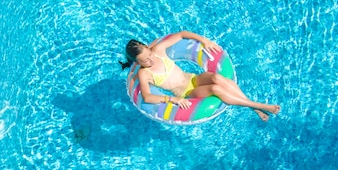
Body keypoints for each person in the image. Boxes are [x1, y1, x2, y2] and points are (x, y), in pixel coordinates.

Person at [119, 30, 280, 121]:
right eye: (145, 60)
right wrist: (172, 99)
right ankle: (259, 107)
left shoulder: (158, 51)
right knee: (216, 88)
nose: (150, 59)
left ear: (148, 48)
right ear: (137, 62)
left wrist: (204, 41)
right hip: (186, 93)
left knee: (217, 78)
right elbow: (147, 97)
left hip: (193, 79)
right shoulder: (144, 73)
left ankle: (254, 108)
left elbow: (182, 35)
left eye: (149, 54)